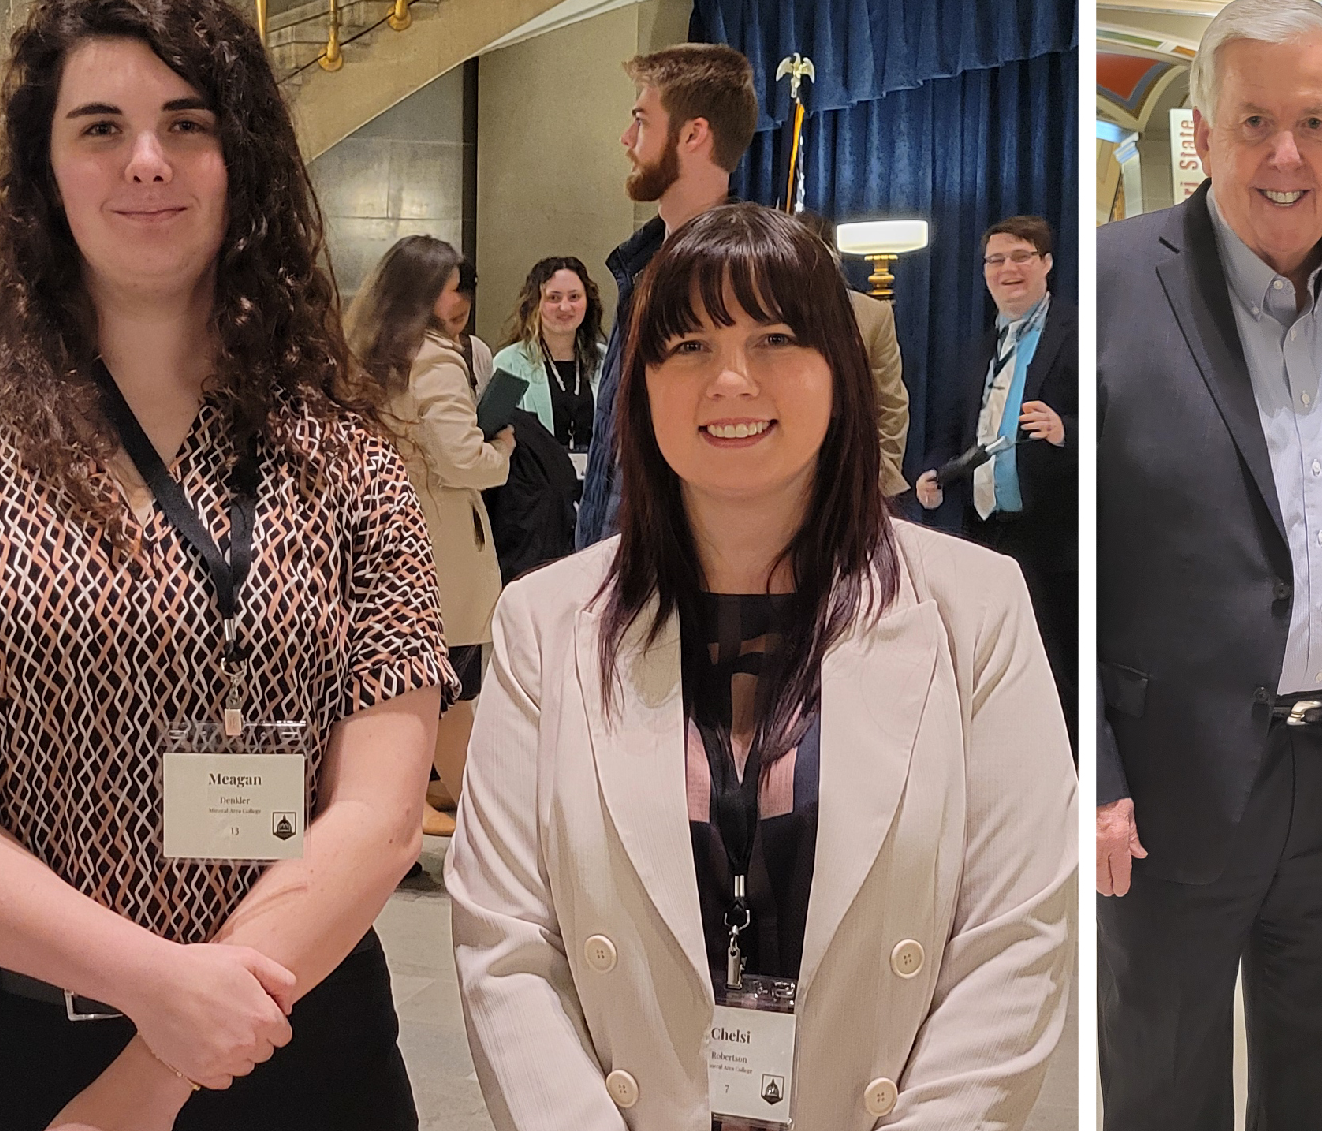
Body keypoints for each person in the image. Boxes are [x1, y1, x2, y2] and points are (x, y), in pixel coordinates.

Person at [0, 0, 449, 1131]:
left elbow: (382, 812)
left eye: (187, 125)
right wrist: (154, 983)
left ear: (237, 162)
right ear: (44, 171)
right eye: (100, 128)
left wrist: (157, 1073)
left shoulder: (347, 458)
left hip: (296, 1041)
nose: (146, 161)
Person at [448, 203, 1073, 1129]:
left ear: (838, 374)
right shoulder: (545, 623)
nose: (732, 380)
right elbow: (506, 949)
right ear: (644, 385)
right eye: (690, 346)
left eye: (776, 338)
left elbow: (1016, 940)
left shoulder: (976, 608)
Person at [1094, 0, 1322, 1129]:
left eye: (1312, 122)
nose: (1284, 155)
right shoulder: (1106, 292)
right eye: (1252, 123)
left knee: (1312, 1089)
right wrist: (1097, 779)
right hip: (1168, 793)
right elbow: (1062, 569)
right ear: (1200, 134)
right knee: (1164, 1089)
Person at [576, 44, 909, 544]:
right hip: (620, 568)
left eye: (642, 121)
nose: (627, 139)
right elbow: (616, 455)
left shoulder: (769, 282)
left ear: (693, 135)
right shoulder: (639, 270)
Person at [351, 235, 511, 839]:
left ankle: (413, 815)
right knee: (452, 691)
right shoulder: (435, 356)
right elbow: (462, 460)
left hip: (381, 537)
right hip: (439, 545)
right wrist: (499, 451)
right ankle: (491, 834)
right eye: (450, 284)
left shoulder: (365, 351)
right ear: (420, 290)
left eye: (464, 284)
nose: (462, 297)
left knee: (405, 695)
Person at [917, 216, 1076, 726]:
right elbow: (951, 434)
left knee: (1056, 667)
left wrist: (1066, 429)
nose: (1008, 269)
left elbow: (1126, 421)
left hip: (1053, 536)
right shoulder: (977, 350)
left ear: (1047, 264)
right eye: (996, 260)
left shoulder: (1080, 332)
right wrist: (933, 474)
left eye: (1022, 256)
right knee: (991, 664)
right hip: (982, 533)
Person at [489, 256, 602, 459]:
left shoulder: (608, 361)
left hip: (596, 486)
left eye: (574, 297)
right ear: (535, 303)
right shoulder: (508, 363)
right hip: (533, 486)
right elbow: (491, 437)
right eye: (554, 298)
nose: (565, 307)